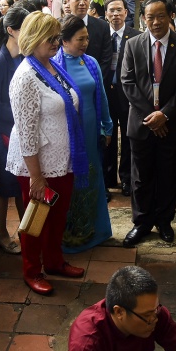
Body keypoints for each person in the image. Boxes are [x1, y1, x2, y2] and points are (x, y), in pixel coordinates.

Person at [6, 12, 88, 295]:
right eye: (49, 38)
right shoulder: (26, 76)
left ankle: (54, 261)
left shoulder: (51, 66)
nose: (56, 43)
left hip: (62, 158)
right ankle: (31, 271)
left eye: (57, 37)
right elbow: (27, 131)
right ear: (32, 38)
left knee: (57, 215)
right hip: (36, 163)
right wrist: (36, 177)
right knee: (36, 219)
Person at [120, 0, 176, 247]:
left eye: (160, 16)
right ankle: (141, 223)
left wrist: (164, 114)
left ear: (171, 16)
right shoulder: (133, 45)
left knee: (169, 174)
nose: (155, 22)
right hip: (141, 124)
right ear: (143, 19)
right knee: (141, 177)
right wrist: (151, 117)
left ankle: (164, 220)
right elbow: (127, 82)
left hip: (172, 124)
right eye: (149, 17)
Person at [55, 15, 112, 252]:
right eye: (80, 39)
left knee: (92, 176)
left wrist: (107, 125)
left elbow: (101, 95)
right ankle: (71, 234)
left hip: (90, 131)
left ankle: (95, 231)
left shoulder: (90, 63)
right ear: (64, 41)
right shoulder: (54, 65)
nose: (85, 43)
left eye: (87, 38)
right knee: (71, 179)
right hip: (66, 134)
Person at [0, 7, 29, 255]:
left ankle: (27, 230)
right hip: (3, 132)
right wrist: (21, 114)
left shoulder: (22, 58)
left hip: (18, 130)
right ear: (11, 31)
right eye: (25, 28)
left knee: (22, 181)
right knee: (3, 184)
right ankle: (1, 233)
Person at [103, 0, 138, 197]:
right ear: (106, 14)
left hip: (127, 93)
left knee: (127, 134)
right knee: (108, 134)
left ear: (126, 12)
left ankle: (126, 178)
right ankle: (108, 178)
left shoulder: (135, 36)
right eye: (111, 11)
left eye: (119, 10)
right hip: (107, 92)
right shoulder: (100, 36)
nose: (115, 14)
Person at [65, 0, 113, 82]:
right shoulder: (59, 26)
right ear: (68, 0)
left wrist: (95, 81)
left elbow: (106, 60)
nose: (82, 3)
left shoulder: (102, 26)